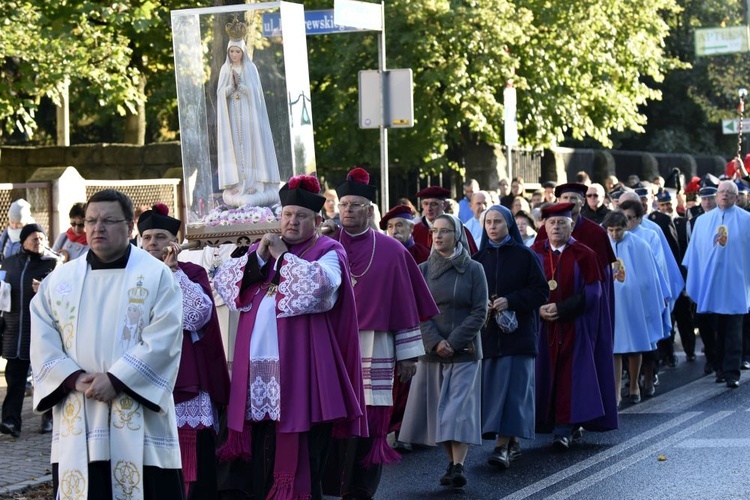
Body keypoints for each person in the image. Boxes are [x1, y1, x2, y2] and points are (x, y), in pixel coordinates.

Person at [212, 174, 367, 499]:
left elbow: (319, 289)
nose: (292, 221)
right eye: (287, 214)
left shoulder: (329, 250)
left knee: (304, 454)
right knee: (260, 459)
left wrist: (283, 257)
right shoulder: (263, 250)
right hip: (258, 377)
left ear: (318, 220)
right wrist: (259, 258)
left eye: (300, 216)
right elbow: (225, 286)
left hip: (303, 374)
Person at [30, 189, 185, 499]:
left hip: (139, 416)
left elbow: (165, 338)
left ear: (129, 227)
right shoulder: (59, 281)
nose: (97, 228)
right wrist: (72, 378)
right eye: (91, 220)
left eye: (108, 220)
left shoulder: (156, 276)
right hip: (79, 408)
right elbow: (42, 337)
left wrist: (117, 379)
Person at [323, 167, 439, 499]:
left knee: (370, 421)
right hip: (334, 345)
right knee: (333, 416)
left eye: (355, 205)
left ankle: (361, 488)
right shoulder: (324, 247)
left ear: (370, 210)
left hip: (377, 345)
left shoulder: (392, 251)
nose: (347, 211)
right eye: (343, 205)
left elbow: (405, 307)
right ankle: (333, 483)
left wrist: (408, 357)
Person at [138, 204, 231, 498]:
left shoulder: (192, 272)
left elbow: (196, 318)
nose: (153, 243)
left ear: (174, 242)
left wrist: (174, 273)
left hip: (185, 375)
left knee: (191, 460)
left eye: (161, 236)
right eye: (148, 237)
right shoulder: (131, 274)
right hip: (141, 374)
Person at [400, 214, 488, 488]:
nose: (437, 236)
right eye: (434, 231)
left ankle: (459, 465)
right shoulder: (422, 269)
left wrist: (454, 341)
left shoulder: (474, 269)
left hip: (465, 351)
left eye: (444, 231)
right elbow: (415, 311)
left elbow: (479, 311)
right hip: (432, 352)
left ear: (457, 235)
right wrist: (436, 342)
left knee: (457, 412)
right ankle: (451, 462)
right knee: (441, 414)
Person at [531, 203, 618, 449]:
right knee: (542, 376)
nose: (556, 227)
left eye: (562, 223)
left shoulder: (585, 254)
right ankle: (541, 424)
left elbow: (593, 293)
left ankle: (564, 429)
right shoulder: (534, 253)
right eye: (551, 223)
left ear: (572, 226)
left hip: (574, 327)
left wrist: (561, 309)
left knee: (570, 379)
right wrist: (538, 309)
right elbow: (525, 288)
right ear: (544, 227)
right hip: (541, 329)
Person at [474, 205, 548, 469]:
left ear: (509, 225)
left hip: (518, 335)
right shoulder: (478, 258)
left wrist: (511, 301)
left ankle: (501, 446)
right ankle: (511, 440)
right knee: (496, 392)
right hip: (489, 336)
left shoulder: (525, 256)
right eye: (488, 222)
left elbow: (541, 292)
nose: (492, 227)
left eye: (497, 222)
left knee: (513, 393)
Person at [683, 181, 750, 388]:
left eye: (729, 193)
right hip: (711, 284)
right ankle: (719, 367)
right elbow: (695, 254)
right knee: (716, 328)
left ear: (736, 197)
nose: (724, 196)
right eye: (721, 192)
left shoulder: (747, 220)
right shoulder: (702, 222)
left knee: (734, 329)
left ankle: (732, 372)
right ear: (716, 195)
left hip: (736, 283)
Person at [602, 211, 668, 407]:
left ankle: (634, 387)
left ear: (626, 226)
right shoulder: (601, 245)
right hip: (611, 303)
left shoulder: (640, 245)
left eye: (619, 230)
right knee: (614, 347)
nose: (614, 234)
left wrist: (649, 297)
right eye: (611, 230)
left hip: (634, 303)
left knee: (635, 345)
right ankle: (615, 392)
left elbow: (650, 276)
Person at [379, 204, 431, 451]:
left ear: (411, 228)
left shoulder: (423, 253)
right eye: (389, 227)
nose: (394, 230)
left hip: (417, 323)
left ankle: (406, 430)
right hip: (390, 321)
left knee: (412, 379)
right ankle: (389, 429)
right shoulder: (382, 252)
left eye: (399, 225)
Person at [1, 224, 60, 438]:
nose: (39, 242)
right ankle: (10, 422)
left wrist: (44, 288)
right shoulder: (9, 263)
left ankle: (49, 419)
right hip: (14, 330)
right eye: (34, 239)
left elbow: (64, 295)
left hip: (41, 332)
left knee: (45, 379)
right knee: (14, 380)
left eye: (42, 238)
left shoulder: (53, 263)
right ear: (23, 241)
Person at [216, 16, 280, 208]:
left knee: (252, 148)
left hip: (249, 117)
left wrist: (241, 85)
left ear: (243, 51)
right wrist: (230, 88)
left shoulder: (250, 68)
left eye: (237, 51)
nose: (235, 54)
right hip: (232, 118)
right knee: (236, 148)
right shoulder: (224, 70)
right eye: (232, 51)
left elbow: (255, 95)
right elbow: (220, 94)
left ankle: (253, 183)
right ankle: (238, 184)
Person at [412, 186, 478, 254]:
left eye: (434, 204)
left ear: (444, 205)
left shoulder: (458, 229)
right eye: (425, 204)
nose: (429, 208)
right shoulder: (414, 231)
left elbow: (473, 258)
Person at [0, 199, 35, 263]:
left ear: (26, 222)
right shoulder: (6, 233)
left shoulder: (34, 235)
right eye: (12, 222)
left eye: (18, 223)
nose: (14, 226)